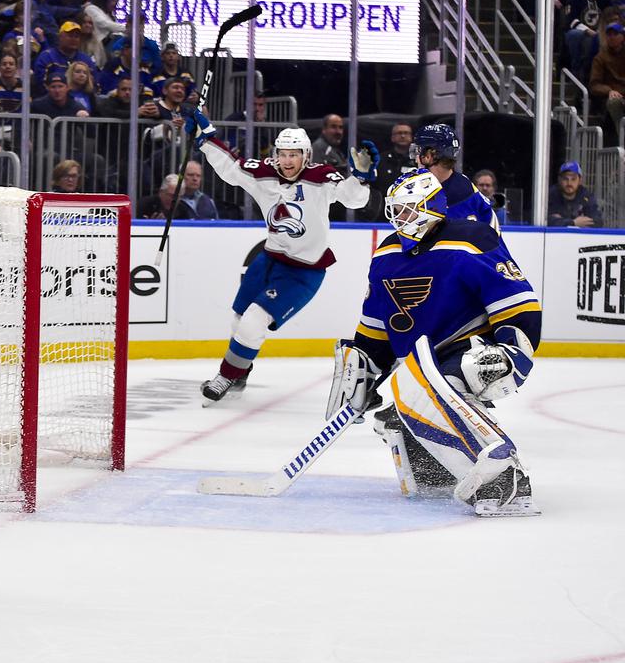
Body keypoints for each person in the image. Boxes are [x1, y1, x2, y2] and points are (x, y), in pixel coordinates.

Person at [327, 169, 541, 516]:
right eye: (396, 211)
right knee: (396, 413)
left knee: (435, 390)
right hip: (422, 361)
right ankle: (440, 474)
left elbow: (518, 302)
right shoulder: (386, 255)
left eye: (409, 210)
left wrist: (512, 350)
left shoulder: (471, 238)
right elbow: (377, 325)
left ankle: (506, 478)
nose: (401, 219)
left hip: (475, 348)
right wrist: (364, 365)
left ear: (433, 207)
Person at [186, 111, 377, 402]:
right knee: (239, 320)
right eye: (283, 154)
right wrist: (205, 139)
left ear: (307, 155)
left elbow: (353, 198)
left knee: (253, 321)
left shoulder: (321, 178)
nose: (287, 161)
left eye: (294, 155)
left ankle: (225, 376)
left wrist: (360, 178)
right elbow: (231, 168)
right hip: (268, 259)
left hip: (304, 272)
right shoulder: (264, 174)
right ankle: (241, 373)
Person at [409, 123, 498, 231]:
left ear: (430, 156)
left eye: (418, 151)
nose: (416, 160)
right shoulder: (434, 186)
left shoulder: (461, 196)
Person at [547, 160, 603, 227]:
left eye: (573, 179)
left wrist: (563, 221)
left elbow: (597, 221)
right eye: (565, 179)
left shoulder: (585, 196)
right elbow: (547, 221)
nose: (569, 183)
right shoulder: (551, 195)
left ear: (580, 180)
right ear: (559, 180)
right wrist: (573, 222)